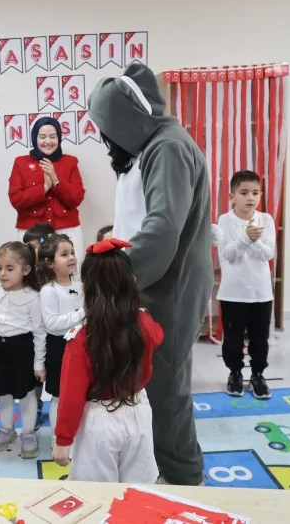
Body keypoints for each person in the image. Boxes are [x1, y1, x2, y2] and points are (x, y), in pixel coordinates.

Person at [88, 63, 213, 485]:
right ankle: (160, 466)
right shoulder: (152, 146)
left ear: (125, 121)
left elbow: (160, 230)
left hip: (170, 285)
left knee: (165, 388)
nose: (106, 139)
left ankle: (185, 479)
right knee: (151, 380)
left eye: (107, 129)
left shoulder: (168, 148)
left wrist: (113, 279)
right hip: (152, 282)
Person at [52, 238, 164, 483]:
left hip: (98, 421)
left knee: (96, 493)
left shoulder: (81, 338)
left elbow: (71, 395)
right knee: (137, 489)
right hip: (138, 410)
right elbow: (158, 336)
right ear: (132, 281)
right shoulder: (144, 323)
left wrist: (63, 439)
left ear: (84, 288)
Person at [0, 242, 45, 459]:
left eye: (9, 268)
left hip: (22, 351)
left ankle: (28, 433)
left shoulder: (33, 297)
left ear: (26, 270)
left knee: (26, 393)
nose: (2, 273)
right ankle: (7, 428)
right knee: (2, 390)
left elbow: (39, 333)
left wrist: (39, 364)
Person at [214, 171, 276, 399]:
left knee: (260, 339)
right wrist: (246, 238)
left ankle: (258, 375)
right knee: (233, 339)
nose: (251, 197)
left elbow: (268, 254)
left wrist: (253, 240)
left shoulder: (266, 220)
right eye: (244, 192)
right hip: (233, 292)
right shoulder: (225, 220)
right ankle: (235, 374)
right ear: (232, 196)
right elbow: (228, 255)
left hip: (261, 293)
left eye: (255, 193)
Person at [8, 117, 86, 259]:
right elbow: (16, 200)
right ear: (35, 138)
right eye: (42, 137)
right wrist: (43, 188)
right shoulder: (21, 162)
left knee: (72, 269)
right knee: (32, 269)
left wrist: (56, 181)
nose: (48, 141)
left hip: (67, 229)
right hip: (31, 231)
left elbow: (76, 198)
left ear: (59, 138)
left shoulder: (70, 162)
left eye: (53, 137)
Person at [37, 234, 83, 445]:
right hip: (60, 348)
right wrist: (84, 313)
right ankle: (58, 438)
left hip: (81, 344)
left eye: (72, 252)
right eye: (64, 254)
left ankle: (78, 435)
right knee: (60, 395)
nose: (71, 257)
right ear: (50, 263)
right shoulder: (49, 291)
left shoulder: (80, 284)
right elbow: (52, 324)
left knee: (80, 393)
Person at [22, 222, 56, 428]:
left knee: (56, 374)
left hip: (55, 333)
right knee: (34, 374)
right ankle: (34, 407)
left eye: (32, 247)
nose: (28, 252)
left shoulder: (56, 272)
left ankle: (59, 409)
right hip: (33, 334)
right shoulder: (26, 274)